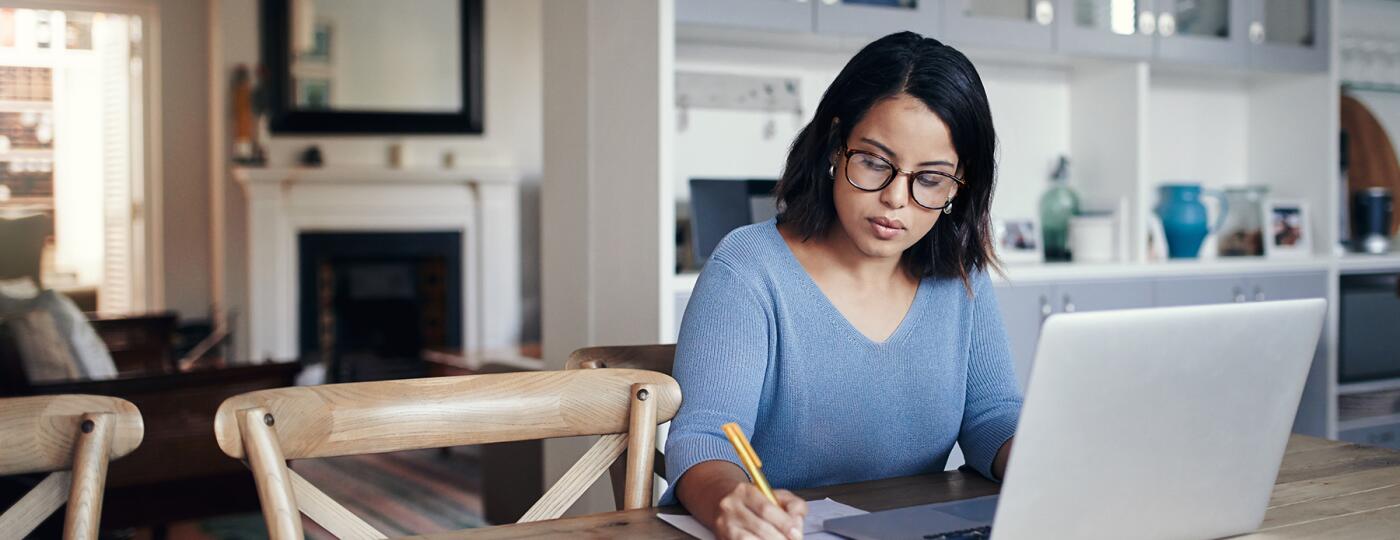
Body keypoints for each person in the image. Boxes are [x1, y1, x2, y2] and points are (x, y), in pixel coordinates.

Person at [662, 31, 1023, 540]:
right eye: (875, 163)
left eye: (931, 178)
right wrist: (731, 501)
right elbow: (706, 437)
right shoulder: (749, 269)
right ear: (836, 145)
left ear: (961, 186)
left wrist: (1045, 457)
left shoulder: (960, 277)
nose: (896, 198)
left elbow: (992, 418)